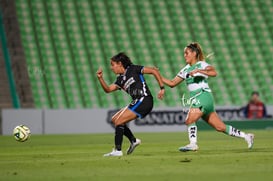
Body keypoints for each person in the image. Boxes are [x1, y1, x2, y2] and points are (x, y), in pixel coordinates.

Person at [160, 42, 254, 151]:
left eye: (187, 53)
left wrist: (199, 71)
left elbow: (214, 72)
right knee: (220, 127)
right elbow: (172, 83)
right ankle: (246, 136)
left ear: (194, 53)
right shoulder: (185, 69)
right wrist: (157, 75)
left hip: (202, 95)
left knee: (190, 120)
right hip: (202, 99)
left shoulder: (202, 64)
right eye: (184, 53)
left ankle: (193, 144)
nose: (184, 55)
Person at [96, 52, 165, 156]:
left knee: (119, 121)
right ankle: (133, 141)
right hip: (136, 101)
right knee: (115, 119)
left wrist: (162, 88)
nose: (111, 68)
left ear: (119, 63)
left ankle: (118, 151)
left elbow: (154, 71)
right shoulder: (120, 79)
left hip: (144, 99)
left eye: (112, 64)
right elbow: (108, 90)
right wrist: (100, 78)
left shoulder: (133, 69)